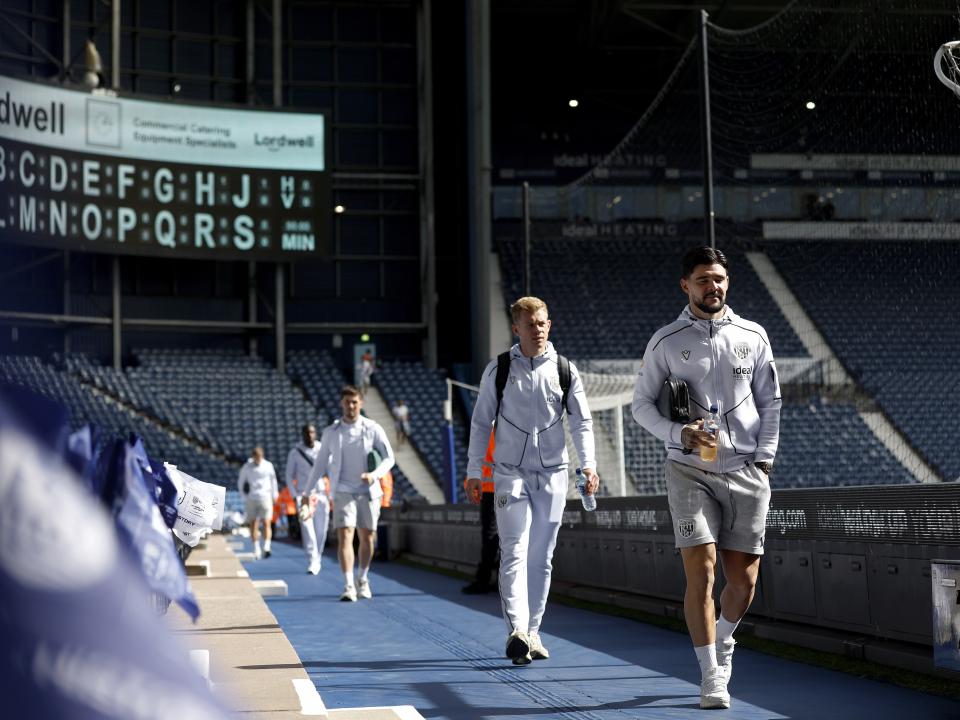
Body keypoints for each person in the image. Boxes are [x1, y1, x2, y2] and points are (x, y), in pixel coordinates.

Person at [631, 246, 781, 710]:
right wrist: (679, 432)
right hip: (689, 468)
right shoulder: (666, 340)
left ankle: (725, 639)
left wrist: (765, 459)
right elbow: (640, 406)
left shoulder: (752, 335)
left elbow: (771, 402)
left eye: (718, 279)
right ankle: (712, 675)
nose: (711, 287)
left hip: (745, 470)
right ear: (685, 285)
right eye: (702, 279)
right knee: (703, 570)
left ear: (726, 283)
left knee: (744, 581)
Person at [465, 296, 599, 665]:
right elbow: (481, 422)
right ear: (516, 328)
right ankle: (517, 631)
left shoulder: (565, 369)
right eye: (530, 325)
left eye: (542, 323)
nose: (537, 330)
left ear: (549, 324)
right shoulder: (500, 369)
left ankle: (534, 632)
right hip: (509, 474)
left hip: (554, 474)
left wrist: (588, 465)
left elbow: (581, 422)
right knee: (514, 551)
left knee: (542, 557)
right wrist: (475, 471)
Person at [305, 385, 395, 602]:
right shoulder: (331, 432)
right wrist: (306, 492)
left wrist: (374, 475)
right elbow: (319, 465)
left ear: (360, 403)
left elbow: (389, 458)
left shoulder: (373, 428)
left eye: (355, 402)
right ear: (341, 403)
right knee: (345, 535)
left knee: (367, 536)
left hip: (368, 491)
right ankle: (348, 585)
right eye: (347, 402)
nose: (351, 406)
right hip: (342, 490)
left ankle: (362, 579)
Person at [285, 423, 330, 575]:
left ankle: (318, 557)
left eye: (312, 432)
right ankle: (312, 560)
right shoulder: (295, 452)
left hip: (321, 495)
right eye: (307, 433)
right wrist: (294, 495)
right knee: (307, 529)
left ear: (315, 433)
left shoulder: (323, 449)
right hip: (304, 496)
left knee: (321, 530)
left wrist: (332, 492)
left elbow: (331, 470)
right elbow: (289, 476)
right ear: (302, 434)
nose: (310, 435)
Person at [462, 429, 498, 594]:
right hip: (496, 489)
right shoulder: (497, 428)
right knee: (498, 538)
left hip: (493, 490)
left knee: (491, 537)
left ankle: (483, 579)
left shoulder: (490, 431)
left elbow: (480, 460)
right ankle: (496, 579)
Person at [237, 446, 279, 560]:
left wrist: (275, 495)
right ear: (253, 456)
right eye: (256, 457)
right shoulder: (247, 466)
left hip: (265, 497)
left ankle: (266, 546)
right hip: (252, 498)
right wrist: (244, 496)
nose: (258, 459)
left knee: (266, 522)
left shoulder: (268, 465)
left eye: (260, 456)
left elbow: (273, 480)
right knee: (253, 523)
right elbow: (241, 481)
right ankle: (256, 548)